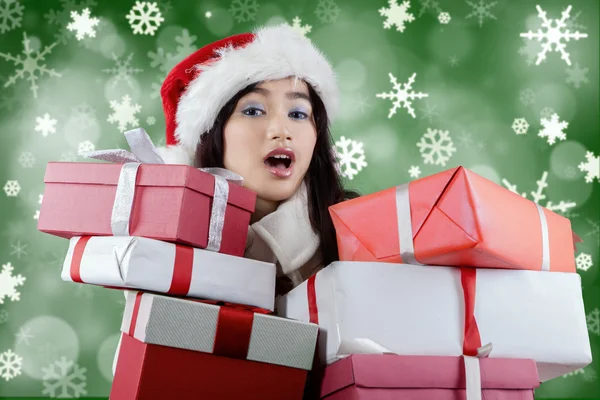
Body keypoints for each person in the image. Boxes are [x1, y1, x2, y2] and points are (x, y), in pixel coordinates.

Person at [156, 23, 359, 296]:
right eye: (253, 110)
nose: (281, 131)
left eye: (298, 114)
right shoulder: (163, 245)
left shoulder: (355, 234)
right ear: (212, 135)